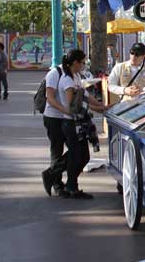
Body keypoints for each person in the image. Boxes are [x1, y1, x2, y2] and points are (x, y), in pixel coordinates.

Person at [58, 49, 106, 199]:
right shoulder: (67, 81)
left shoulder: (76, 76)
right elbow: (74, 105)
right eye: (83, 62)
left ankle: (71, 184)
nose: (84, 65)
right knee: (77, 155)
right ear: (75, 63)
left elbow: (85, 95)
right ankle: (71, 186)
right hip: (71, 123)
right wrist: (99, 108)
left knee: (83, 156)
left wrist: (101, 106)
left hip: (78, 123)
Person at [41, 62, 69, 198]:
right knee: (57, 150)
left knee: (77, 150)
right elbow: (50, 98)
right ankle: (56, 183)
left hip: (67, 118)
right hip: (54, 117)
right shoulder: (54, 74)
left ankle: (54, 176)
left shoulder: (73, 74)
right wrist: (66, 110)